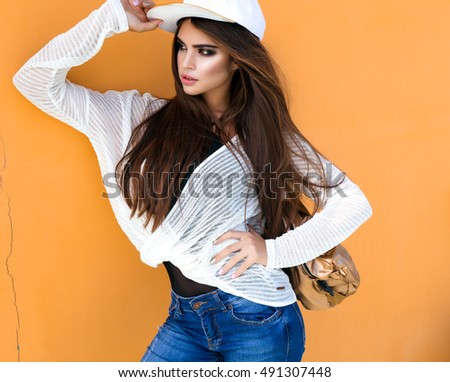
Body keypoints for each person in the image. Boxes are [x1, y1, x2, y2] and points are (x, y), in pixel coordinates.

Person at [13, 0, 373, 362]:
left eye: (205, 51)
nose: (186, 62)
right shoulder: (138, 118)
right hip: (186, 317)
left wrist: (271, 252)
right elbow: (34, 81)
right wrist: (111, 19)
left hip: (258, 318)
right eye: (182, 47)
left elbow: (353, 202)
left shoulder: (265, 137)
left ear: (236, 59)